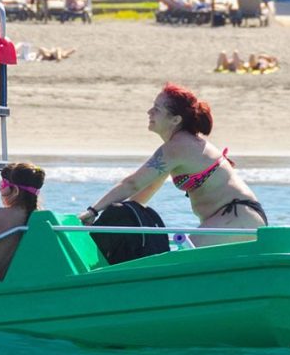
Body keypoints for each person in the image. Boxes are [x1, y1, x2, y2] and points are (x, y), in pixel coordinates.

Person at [77, 83, 267, 247]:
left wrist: (92, 211)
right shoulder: (178, 148)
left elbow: (132, 183)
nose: (149, 112)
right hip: (239, 219)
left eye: (157, 109)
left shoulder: (177, 147)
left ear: (175, 120)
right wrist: (107, 222)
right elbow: (143, 193)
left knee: (186, 257)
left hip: (238, 217)